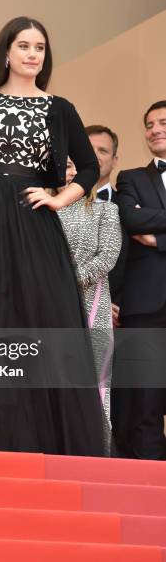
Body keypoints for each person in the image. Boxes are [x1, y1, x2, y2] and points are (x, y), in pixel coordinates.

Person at [0, 16, 107, 456]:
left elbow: (88, 167)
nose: (33, 55)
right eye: (25, 46)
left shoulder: (59, 107)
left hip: (35, 223)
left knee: (44, 320)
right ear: (6, 52)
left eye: (40, 48)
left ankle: (48, 441)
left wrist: (58, 199)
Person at [114, 100, 166, 460]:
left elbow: (145, 225)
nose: (154, 130)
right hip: (147, 302)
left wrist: (158, 235)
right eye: (149, 125)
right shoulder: (131, 178)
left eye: (162, 122)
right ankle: (150, 474)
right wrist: (142, 224)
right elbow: (131, 222)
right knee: (145, 395)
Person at [57, 159, 122, 429]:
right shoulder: (38, 211)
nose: (71, 172)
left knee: (94, 381)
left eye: (76, 165)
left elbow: (107, 256)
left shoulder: (105, 210)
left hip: (92, 303)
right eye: (63, 165)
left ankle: (96, 451)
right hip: (50, 303)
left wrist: (70, 281)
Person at [86, 125, 128, 325]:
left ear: (114, 160)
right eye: (87, 148)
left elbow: (137, 262)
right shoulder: (53, 202)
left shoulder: (127, 206)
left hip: (116, 315)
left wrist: (118, 305)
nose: (94, 156)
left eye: (102, 150)